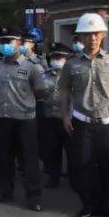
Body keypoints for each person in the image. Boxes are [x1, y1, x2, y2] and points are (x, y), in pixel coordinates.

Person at [59, 13, 109, 217]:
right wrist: (65, 116)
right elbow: (64, 91)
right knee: (84, 166)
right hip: (82, 122)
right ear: (80, 38)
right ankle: (88, 205)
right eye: (87, 34)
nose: (92, 38)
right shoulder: (71, 64)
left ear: (103, 35)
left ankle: (108, 207)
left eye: (96, 34)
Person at [0, 31, 46, 211]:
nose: (5, 45)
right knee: (5, 158)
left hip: (25, 119)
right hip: (3, 118)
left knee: (29, 160)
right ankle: (4, 192)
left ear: (19, 43)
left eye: (9, 41)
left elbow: (41, 92)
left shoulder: (31, 67)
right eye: (2, 41)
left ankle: (33, 197)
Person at [38, 42, 73, 189]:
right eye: (54, 57)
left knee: (72, 150)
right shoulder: (44, 75)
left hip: (68, 118)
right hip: (50, 117)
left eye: (60, 57)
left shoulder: (72, 76)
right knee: (52, 149)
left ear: (66, 59)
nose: (56, 60)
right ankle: (54, 176)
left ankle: (74, 177)